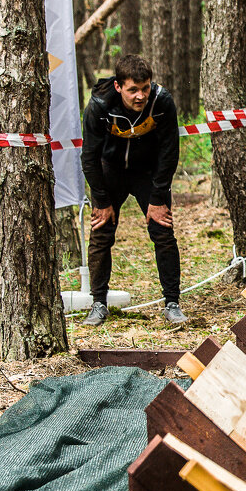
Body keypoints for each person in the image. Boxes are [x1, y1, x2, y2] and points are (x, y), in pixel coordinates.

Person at [80, 54, 188, 326]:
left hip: (148, 173)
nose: (140, 96)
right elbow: (89, 156)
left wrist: (158, 197)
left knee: (163, 231)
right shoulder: (99, 104)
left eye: (145, 88)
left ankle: (172, 302)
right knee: (101, 233)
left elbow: (169, 152)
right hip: (109, 170)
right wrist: (101, 199)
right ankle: (98, 303)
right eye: (133, 90)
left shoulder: (162, 101)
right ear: (118, 86)